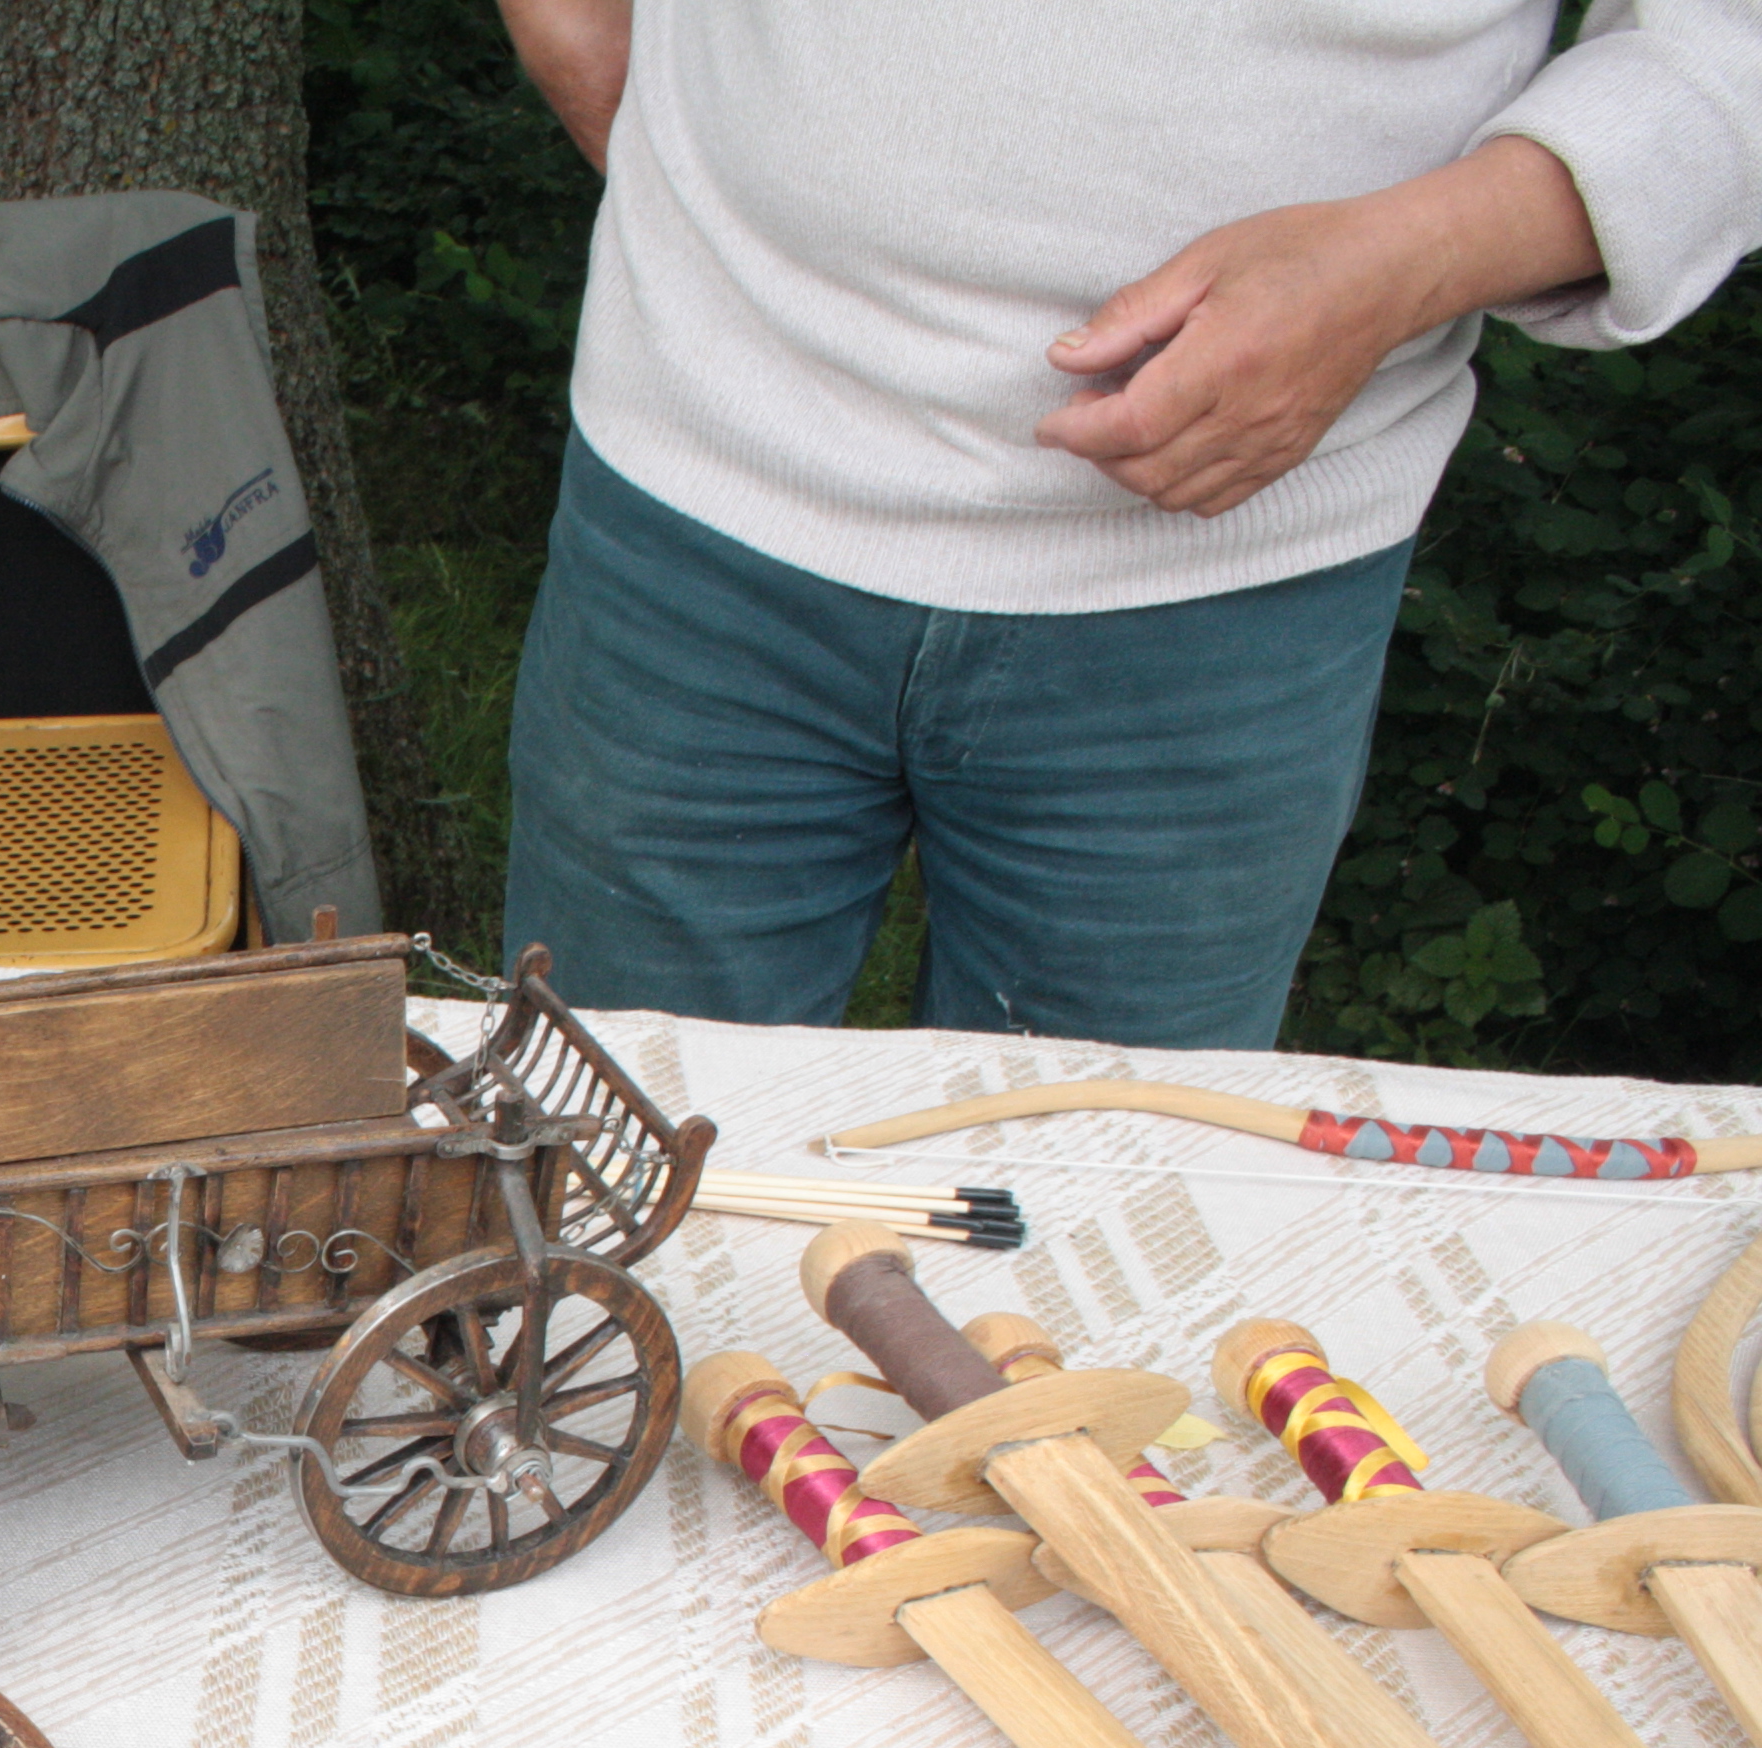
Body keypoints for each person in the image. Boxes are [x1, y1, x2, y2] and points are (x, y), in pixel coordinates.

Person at [489, 0, 1762, 1046]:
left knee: (1077, 1224)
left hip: (1233, 591)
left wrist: (1404, 263)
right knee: (592, 1196)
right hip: (698, 478)